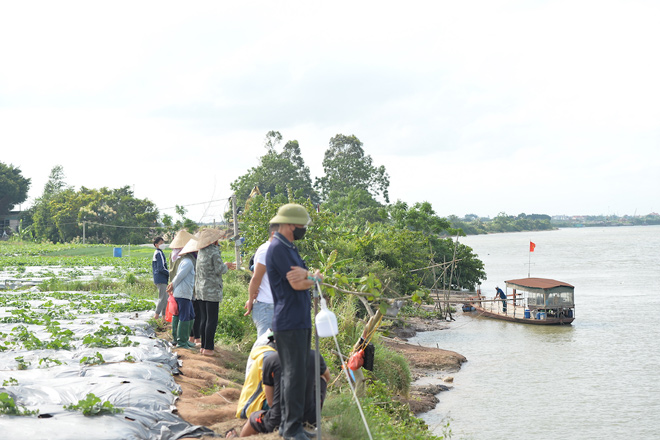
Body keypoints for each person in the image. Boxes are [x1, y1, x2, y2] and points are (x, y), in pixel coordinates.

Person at [265, 203, 322, 440]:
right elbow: (297, 282)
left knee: (297, 375)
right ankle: (291, 430)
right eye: (301, 225)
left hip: (298, 319)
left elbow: (303, 277)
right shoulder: (278, 248)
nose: (303, 229)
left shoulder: (289, 247)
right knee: (293, 375)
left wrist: (310, 276)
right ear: (290, 224)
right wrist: (314, 277)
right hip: (289, 321)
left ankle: (292, 426)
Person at [227, 349, 330, 438]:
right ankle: (314, 409)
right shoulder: (314, 356)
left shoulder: (271, 359)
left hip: (279, 420)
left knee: (254, 417)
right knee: (322, 377)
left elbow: (270, 401)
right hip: (311, 418)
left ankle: (239, 438)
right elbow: (327, 377)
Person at [194, 228, 236, 356]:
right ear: (213, 240)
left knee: (204, 318)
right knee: (212, 319)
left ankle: (203, 347)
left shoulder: (201, 252)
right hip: (211, 290)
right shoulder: (214, 252)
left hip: (200, 289)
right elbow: (219, 270)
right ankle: (209, 348)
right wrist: (227, 265)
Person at [244, 223, 279, 337]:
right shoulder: (266, 250)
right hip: (266, 307)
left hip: (276, 306)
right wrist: (250, 300)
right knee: (266, 347)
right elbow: (256, 278)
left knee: (275, 348)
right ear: (274, 233)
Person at [167, 236, 197, 348]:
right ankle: (181, 342)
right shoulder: (188, 262)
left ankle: (183, 339)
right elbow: (179, 276)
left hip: (185, 293)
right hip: (183, 293)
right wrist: (172, 285)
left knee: (190, 315)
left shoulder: (186, 261)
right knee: (184, 316)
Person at [152, 236, 169, 320]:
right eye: (161, 243)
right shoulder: (158, 253)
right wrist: (169, 273)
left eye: (163, 243)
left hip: (160, 278)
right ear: (156, 245)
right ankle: (156, 316)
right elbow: (161, 268)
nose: (163, 245)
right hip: (161, 278)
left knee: (165, 298)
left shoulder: (159, 252)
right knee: (162, 298)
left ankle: (164, 317)